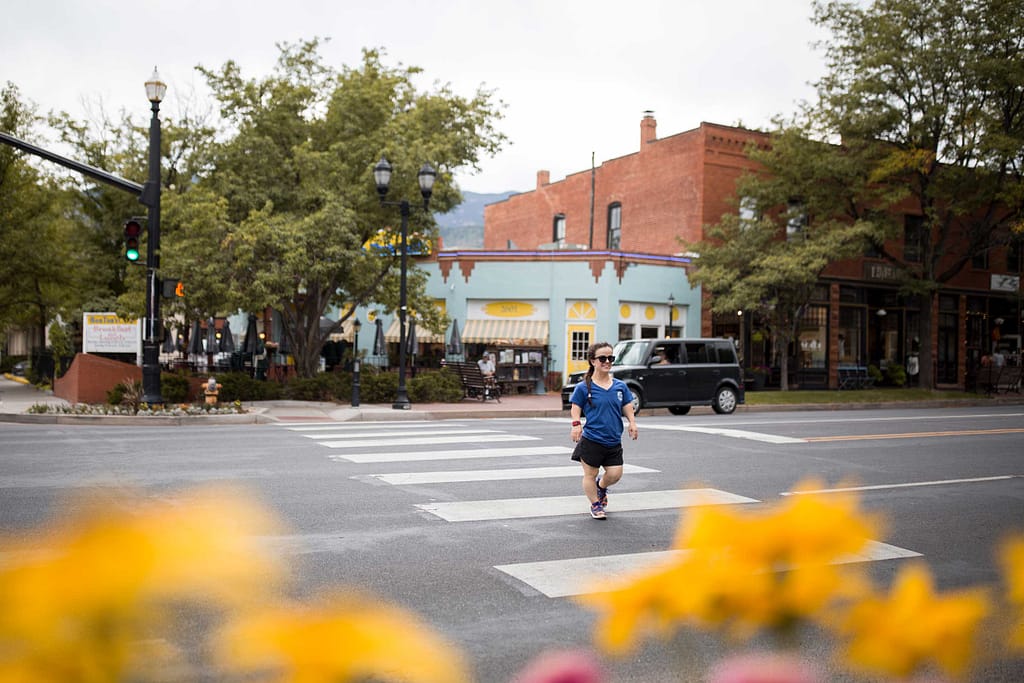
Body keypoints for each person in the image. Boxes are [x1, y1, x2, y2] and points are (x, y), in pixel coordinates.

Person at [569, 342, 639, 520]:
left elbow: (627, 405)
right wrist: (576, 424)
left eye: (611, 358)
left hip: (614, 439)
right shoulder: (584, 387)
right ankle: (595, 504)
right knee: (590, 474)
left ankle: (601, 488)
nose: (607, 361)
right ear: (593, 361)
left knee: (615, 474)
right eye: (603, 358)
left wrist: (632, 422)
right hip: (592, 439)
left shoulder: (619, 386)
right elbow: (576, 406)